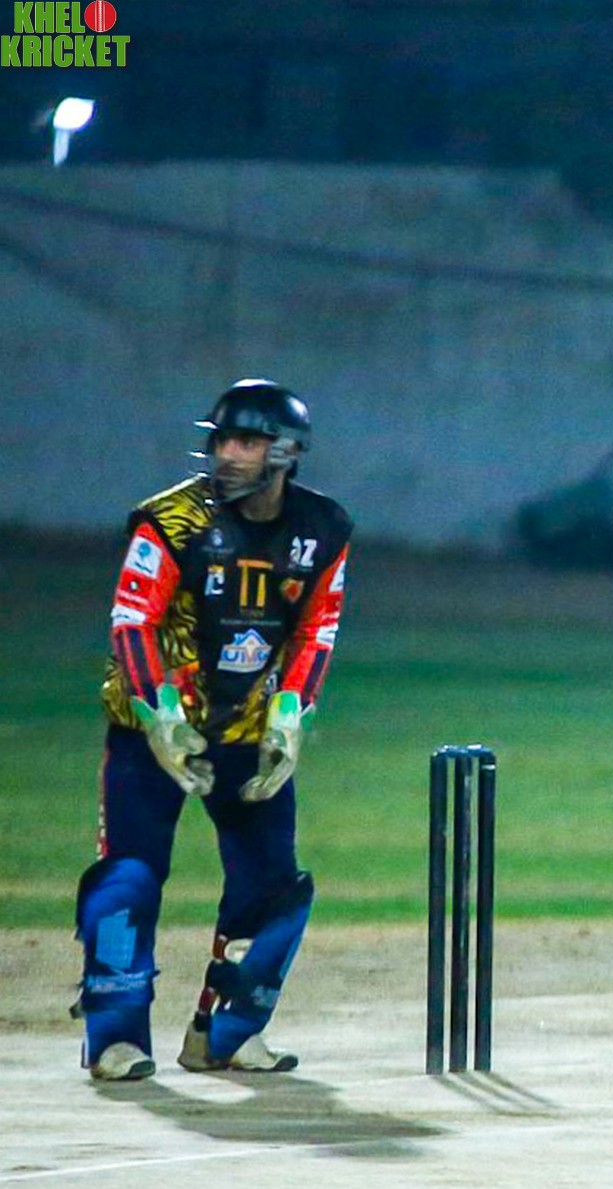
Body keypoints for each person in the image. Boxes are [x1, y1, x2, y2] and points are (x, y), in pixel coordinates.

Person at [73, 379, 352, 1081]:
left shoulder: (322, 529)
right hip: (152, 730)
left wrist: (290, 716)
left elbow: (317, 629)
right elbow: (132, 622)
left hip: (248, 730)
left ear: (285, 453)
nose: (228, 454)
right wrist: (159, 717)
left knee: (272, 886)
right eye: (223, 440)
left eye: (247, 442)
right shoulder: (170, 521)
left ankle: (225, 1033)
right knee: (128, 879)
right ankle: (114, 1040)